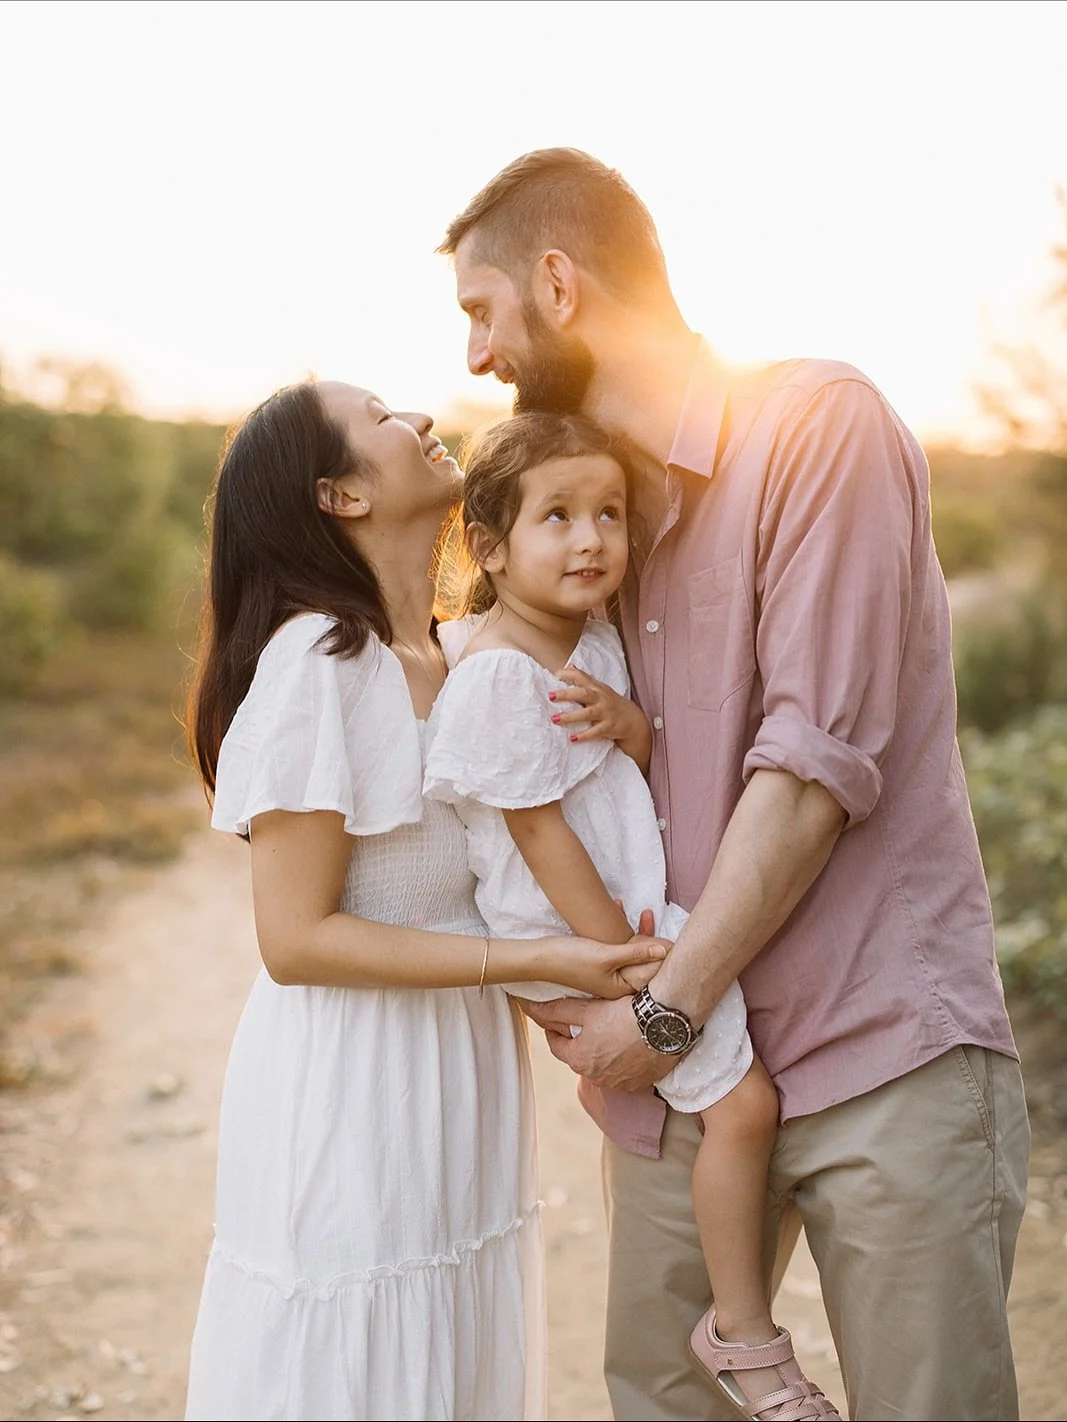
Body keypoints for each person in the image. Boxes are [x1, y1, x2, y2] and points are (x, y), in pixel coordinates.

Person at [437, 148, 1031, 1422]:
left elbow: (810, 770)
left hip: (876, 1047)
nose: (479, 354)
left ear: (556, 281)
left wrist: (660, 1016)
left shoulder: (819, 428)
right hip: (687, 1085)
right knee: (663, 1399)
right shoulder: (591, 516)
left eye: (481, 311)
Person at [181, 378, 667, 1422]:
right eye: (383, 419)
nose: (419, 418)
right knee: (362, 1355)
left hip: (457, 1065)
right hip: (358, 1077)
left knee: (450, 1346)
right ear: (340, 494)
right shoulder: (321, 659)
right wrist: (533, 965)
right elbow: (295, 939)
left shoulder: (453, 652)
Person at [423, 410, 840, 1422]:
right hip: (576, 933)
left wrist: (634, 727)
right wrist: (620, 962)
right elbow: (538, 833)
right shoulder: (493, 678)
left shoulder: (598, 642)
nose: (589, 539)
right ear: (487, 545)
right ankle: (740, 1335)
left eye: (607, 513)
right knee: (742, 1108)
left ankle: (733, 1315)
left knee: (723, 1098)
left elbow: (624, 786)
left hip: (619, 923)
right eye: (555, 516)